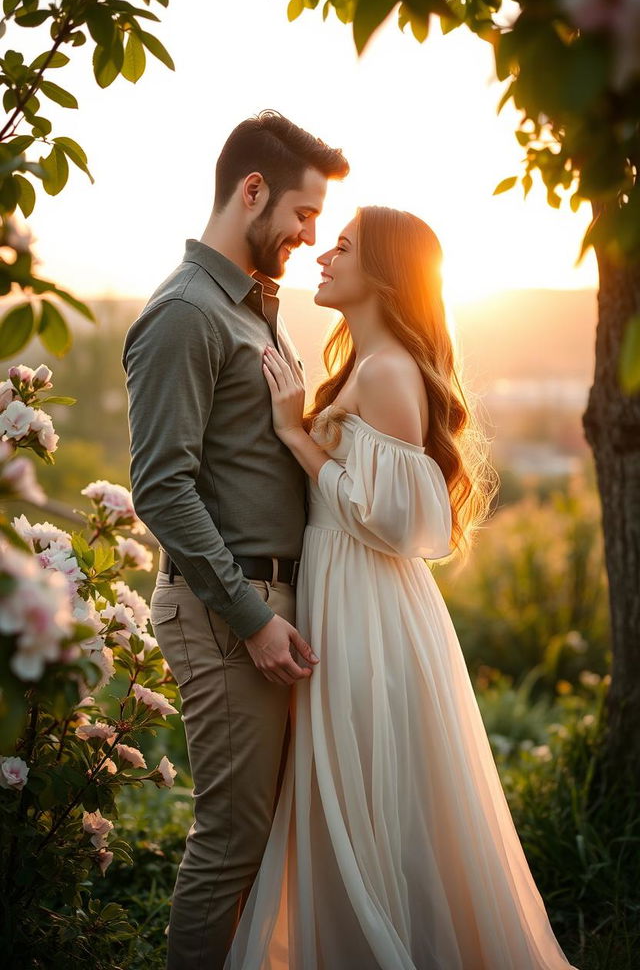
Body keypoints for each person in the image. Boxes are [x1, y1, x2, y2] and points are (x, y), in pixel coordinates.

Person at [224, 206, 580, 969]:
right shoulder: (363, 366)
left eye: (343, 247)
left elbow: (392, 519)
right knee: (350, 789)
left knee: (370, 794)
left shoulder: (388, 373)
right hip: (345, 589)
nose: (323, 256)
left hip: (369, 602)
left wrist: (295, 434)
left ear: (383, 274)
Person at [121, 110, 349, 970]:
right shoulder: (186, 315)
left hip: (268, 603)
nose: (310, 235)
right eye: (304, 212)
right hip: (224, 613)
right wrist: (254, 617)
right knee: (230, 844)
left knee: (266, 840)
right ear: (251, 190)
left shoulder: (255, 310)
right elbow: (161, 489)